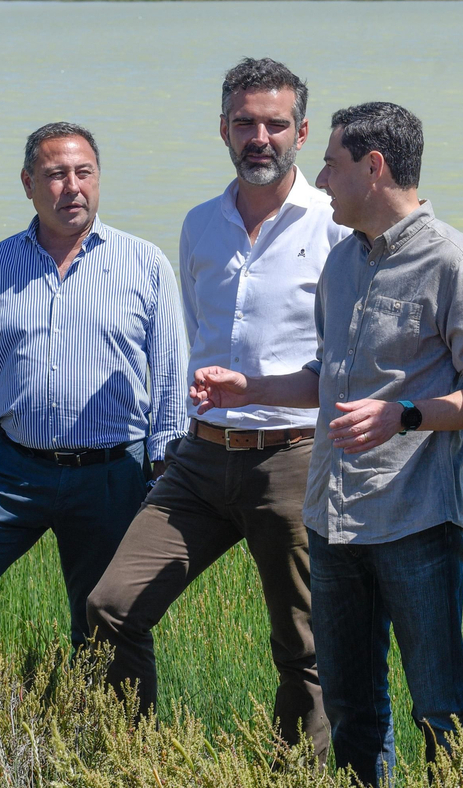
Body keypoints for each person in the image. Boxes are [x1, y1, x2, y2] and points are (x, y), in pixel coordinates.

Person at [190, 102, 463, 786]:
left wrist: (405, 415)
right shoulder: (341, 262)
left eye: (333, 166)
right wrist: (245, 388)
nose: (324, 181)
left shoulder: (457, 262)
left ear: (375, 168)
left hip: (415, 525)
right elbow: (323, 378)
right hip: (332, 524)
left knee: (443, 712)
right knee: (352, 712)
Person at [86, 58, 342, 756]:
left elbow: (351, 359)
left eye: (275, 124)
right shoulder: (201, 224)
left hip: (290, 459)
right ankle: (127, 760)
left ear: (302, 131)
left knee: (304, 653)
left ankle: (303, 772)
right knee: (112, 607)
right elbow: (199, 335)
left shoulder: (334, 225)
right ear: (223, 129)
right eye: (244, 123)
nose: (260, 137)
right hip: (199, 462)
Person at [0, 122, 186, 646]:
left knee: (108, 624)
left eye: (83, 172)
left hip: (113, 473)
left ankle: (113, 728)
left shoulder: (145, 264)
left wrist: (163, 483)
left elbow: (172, 386)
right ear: (27, 183)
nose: (72, 186)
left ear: (97, 178)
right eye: (55, 175)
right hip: (12, 470)